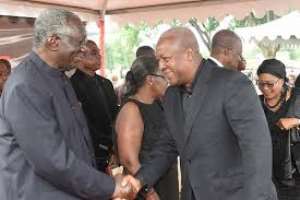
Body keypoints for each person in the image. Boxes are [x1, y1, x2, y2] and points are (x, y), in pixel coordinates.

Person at [0, 8, 137, 200]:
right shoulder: (26, 85)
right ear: (53, 41)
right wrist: (109, 187)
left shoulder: (58, 77)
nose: (82, 49)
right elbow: (51, 160)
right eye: (78, 42)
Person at [132, 27, 277, 200]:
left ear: (189, 54)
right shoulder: (171, 96)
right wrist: (139, 181)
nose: (161, 66)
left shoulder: (232, 83)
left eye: (166, 59)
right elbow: (167, 147)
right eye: (158, 60)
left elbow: (256, 148)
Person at [115, 56, 179, 200]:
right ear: (150, 80)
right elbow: (129, 161)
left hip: (164, 183)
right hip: (144, 190)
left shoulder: (159, 104)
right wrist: (149, 193)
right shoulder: (131, 109)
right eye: (163, 75)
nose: (167, 80)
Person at [70, 40, 119, 172]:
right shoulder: (72, 86)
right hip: (91, 151)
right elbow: (82, 123)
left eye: (99, 52)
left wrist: (115, 143)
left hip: (114, 147)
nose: (99, 56)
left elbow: (116, 115)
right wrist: (105, 146)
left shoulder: (106, 83)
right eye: (94, 53)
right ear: (78, 57)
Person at [257, 59, 300, 199]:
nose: (265, 89)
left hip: (293, 176)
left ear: (282, 81)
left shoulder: (296, 99)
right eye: (260, 84)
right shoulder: (255, 102)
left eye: (270, 84)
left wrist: (296, 121)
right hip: (265, 176)